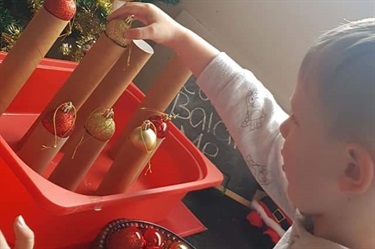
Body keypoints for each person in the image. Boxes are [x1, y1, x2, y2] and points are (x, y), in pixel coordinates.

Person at [109, 2, 375, 248]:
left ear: (352, 169)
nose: (283, 129)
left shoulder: (318, 188)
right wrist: (181, 37)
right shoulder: (327, 192)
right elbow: (257, 116)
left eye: (297, 120)